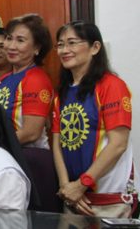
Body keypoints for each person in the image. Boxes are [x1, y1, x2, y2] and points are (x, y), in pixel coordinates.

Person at [52, 21, 135, 218]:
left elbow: (118, 145)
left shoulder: (112, 86)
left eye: (72, 43)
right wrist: (67, 187)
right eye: (60, 44)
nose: (65, 50)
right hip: (73, 199)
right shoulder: (61, 92)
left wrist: (82, 184)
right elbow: (57, 143)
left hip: (108, 201)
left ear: (95, 47)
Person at [0, 14, 53, 149]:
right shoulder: (4, 80)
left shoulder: (35, 79)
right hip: (7, 153)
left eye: (20, 40)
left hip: (29, 157)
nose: (11, 46)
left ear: (36, 48)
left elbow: (31, 133)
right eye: (9, 38)